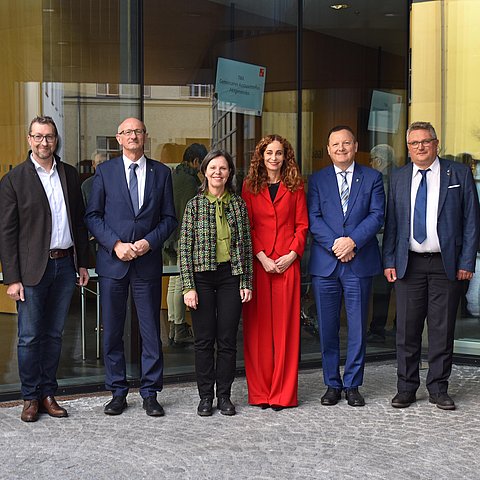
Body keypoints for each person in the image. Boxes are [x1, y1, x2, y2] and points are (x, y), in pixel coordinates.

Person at [383, 121, 480, 410]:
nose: (420, 147)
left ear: (436, 144)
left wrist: (467, 262)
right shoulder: (398, 177)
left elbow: (472, 222)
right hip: (408, 264)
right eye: (414, 143)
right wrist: (389, 259)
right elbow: (392, 223)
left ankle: (439, 388)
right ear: (408, 148)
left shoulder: (458, 173)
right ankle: (406, 388)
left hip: (445, 264)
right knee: (407, 330)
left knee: (441, 329)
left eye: (426, 141)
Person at [85, 117, 177, 417]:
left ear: (145, 137)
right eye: (127, 132)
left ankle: (150, 392)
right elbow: (93, 216)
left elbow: (169, 219)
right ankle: (117, 391)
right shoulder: (105, 172)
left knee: (151, 331)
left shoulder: (162, 173)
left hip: (146, 263)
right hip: (114, 263)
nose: (133, 136)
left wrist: (149, 242)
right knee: (112, 330)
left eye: (138, 131)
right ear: (118, 138)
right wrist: (115, 244)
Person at [0, 115, 89, 422]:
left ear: (56, 139)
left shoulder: (69, 174)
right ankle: (29, 397)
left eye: (49, 137)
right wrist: (12, 278)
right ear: (29, 140)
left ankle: (48, 393)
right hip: (31, 271)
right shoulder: (15, 180)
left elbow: (78, 221)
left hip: (65, 266)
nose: (44, 142)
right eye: (38, 137)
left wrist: (83, 263)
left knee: (53, 335)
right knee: (29, 337)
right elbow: (7, 233)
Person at [308, 125, 384, 407]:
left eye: (346, 143)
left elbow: (377, 216)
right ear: (328, 149)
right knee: (327, 328)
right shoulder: (316, 180)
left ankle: (353, 384)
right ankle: (332, 383)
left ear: (355, 146)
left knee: (357, 328)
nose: (341, 148)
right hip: (326, 264)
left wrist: (352, 242)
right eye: (335, 144)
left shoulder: (373, 177)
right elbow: (313, 218)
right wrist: (336, 245)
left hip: (359, 261)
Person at [179, 149, 253, 417]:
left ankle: (224, 396)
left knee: (227, 340)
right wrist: (188, 286)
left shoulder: (238, 204)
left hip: (230, 277)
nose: (217, 172)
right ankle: (205, 396)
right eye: (213, 168)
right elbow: (184, 249)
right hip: (202, 278)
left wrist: (246, 281)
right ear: (205, 172)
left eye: (223, 168)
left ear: (229, 173)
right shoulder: (194, 205)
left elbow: (246, 246)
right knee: (203, 340)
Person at [241, 134, 308, 411]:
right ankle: (260, 392)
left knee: (286, 331)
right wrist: (262, 256)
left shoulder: (296, 186)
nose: (273, 158)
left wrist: (291, 255)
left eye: (279, 153)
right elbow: (248, 226)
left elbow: (302, 226)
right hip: (259, 265)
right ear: (261, 155)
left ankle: (282, 394)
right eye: (269, 152)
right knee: (257, 331)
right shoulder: (249, 186)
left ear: (285, 157)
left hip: (287, 265)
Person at [164, 143, 207, 347]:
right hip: (182, 237)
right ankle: (180, 327)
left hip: (169, 237)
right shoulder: (190, 182)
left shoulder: (173, 177)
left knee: (174, 281)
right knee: (181, 282)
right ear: (196, 161)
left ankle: (174, 325)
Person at [367, 144, 397, 343]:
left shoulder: (382, 181)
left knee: (381, 289)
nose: (370, 164)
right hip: (396, 241)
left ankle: (377, 329)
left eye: (372, 160)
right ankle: (397, 328)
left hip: (382, 240)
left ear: (379, 161)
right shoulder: (400, 177)